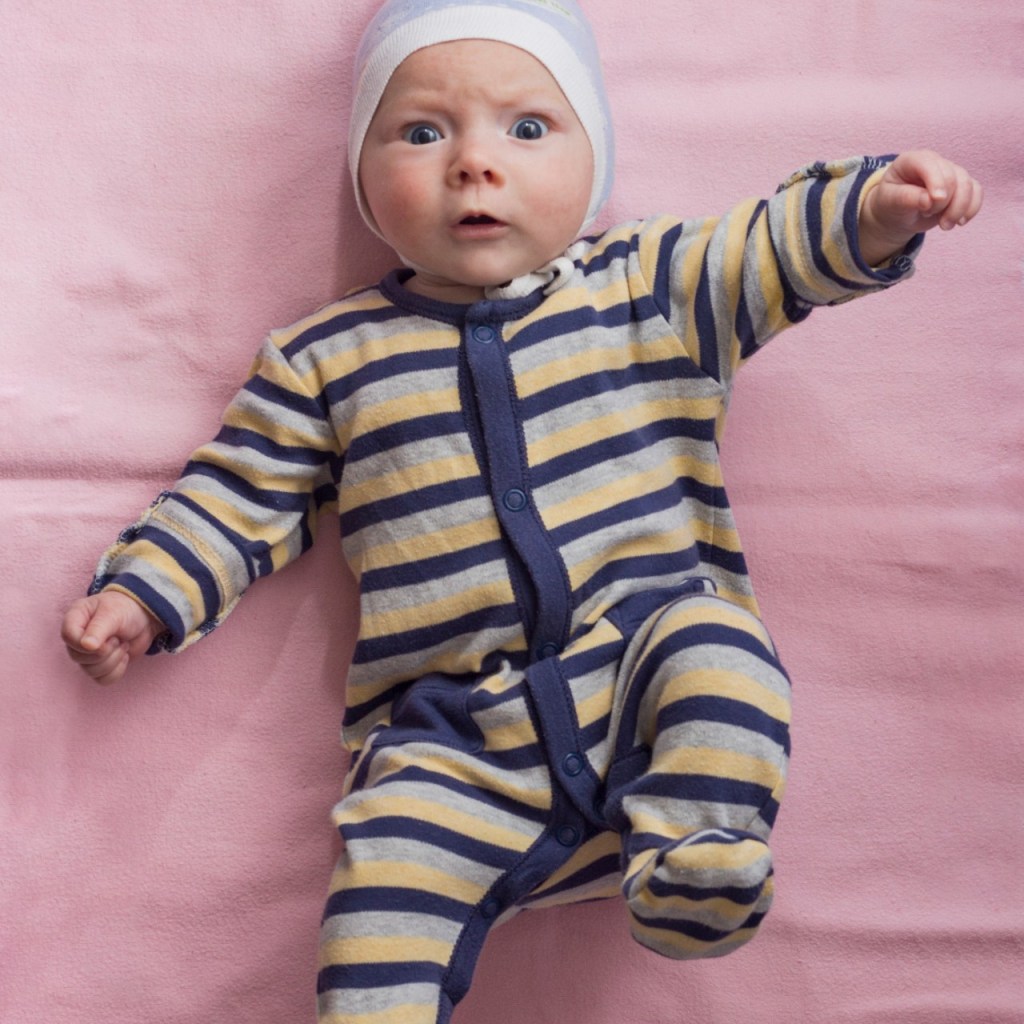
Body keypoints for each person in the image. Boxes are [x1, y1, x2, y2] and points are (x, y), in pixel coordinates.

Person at [60, 1, 983, 1021]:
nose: (473, 163)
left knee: (719, 646)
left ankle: (693, 856)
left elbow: (765, 248)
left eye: (527, 128)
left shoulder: (646, 286)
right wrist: (142, 593)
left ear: (594, 160)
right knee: (379, 878)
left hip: (641, 681)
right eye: (420, 131)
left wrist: (873, 210)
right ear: (360, 175)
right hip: (454, 738)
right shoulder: (325, 359)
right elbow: (239, 489)